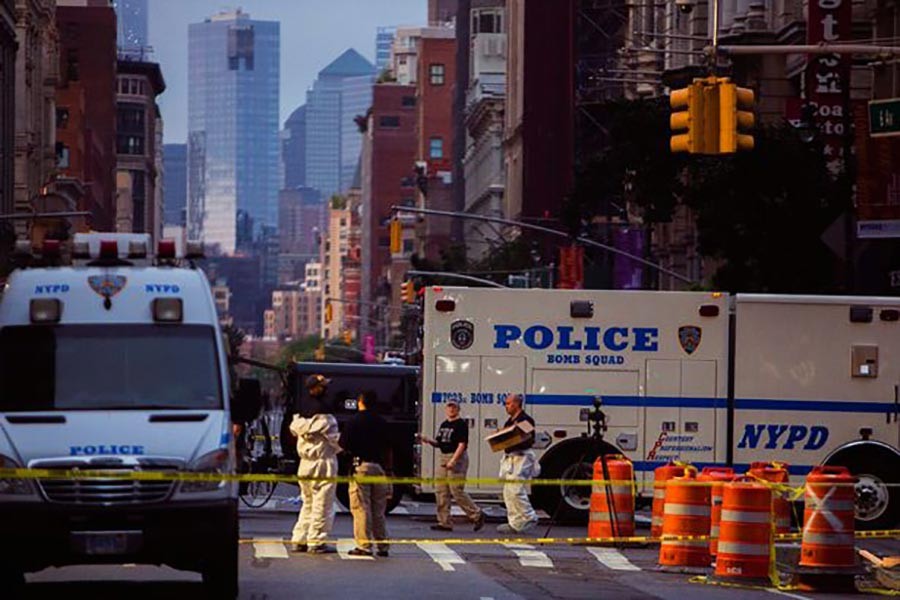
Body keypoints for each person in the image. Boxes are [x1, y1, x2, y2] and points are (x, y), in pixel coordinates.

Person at [289, 374, 341, 554]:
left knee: (307, 502)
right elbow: (336, 442)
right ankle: (316, 541)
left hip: (304, 463)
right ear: (318, 388)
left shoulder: (300, 412)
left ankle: (299, 538)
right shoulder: (325, 415)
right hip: (323, 462)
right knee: (323, 503)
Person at [418, 400, 485, 532]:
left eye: (454, 407)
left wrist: (454, 460)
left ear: (458, 409)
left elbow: (462, 444)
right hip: (444, 457)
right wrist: (428, 440)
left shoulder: (461, 425)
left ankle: (477, 514)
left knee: (456, 490)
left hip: (457, 457)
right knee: (441, 490)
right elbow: (439, 443)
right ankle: (444, 522)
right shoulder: (444, 424)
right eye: (449, 407)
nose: (451, 410)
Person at [340, 390, 392, 557]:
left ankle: (364, 545)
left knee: (361, 508)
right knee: (379, 510)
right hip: (380, 468)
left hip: (360, 467)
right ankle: (383, 545)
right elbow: (389, 447)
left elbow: (343, 445)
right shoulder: (382, 422)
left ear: (360, 402)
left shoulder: (353, 421)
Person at [497, 394, 540, 534]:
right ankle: (515, 522)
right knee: (508, 491)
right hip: (511, 457)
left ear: (516, 404)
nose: (506, 406)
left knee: (516, 489)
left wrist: (514, 438)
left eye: (508, 403)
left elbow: (529, 439)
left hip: (522, 457)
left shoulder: (525, 420)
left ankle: (529, 516)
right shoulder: (509, 421)